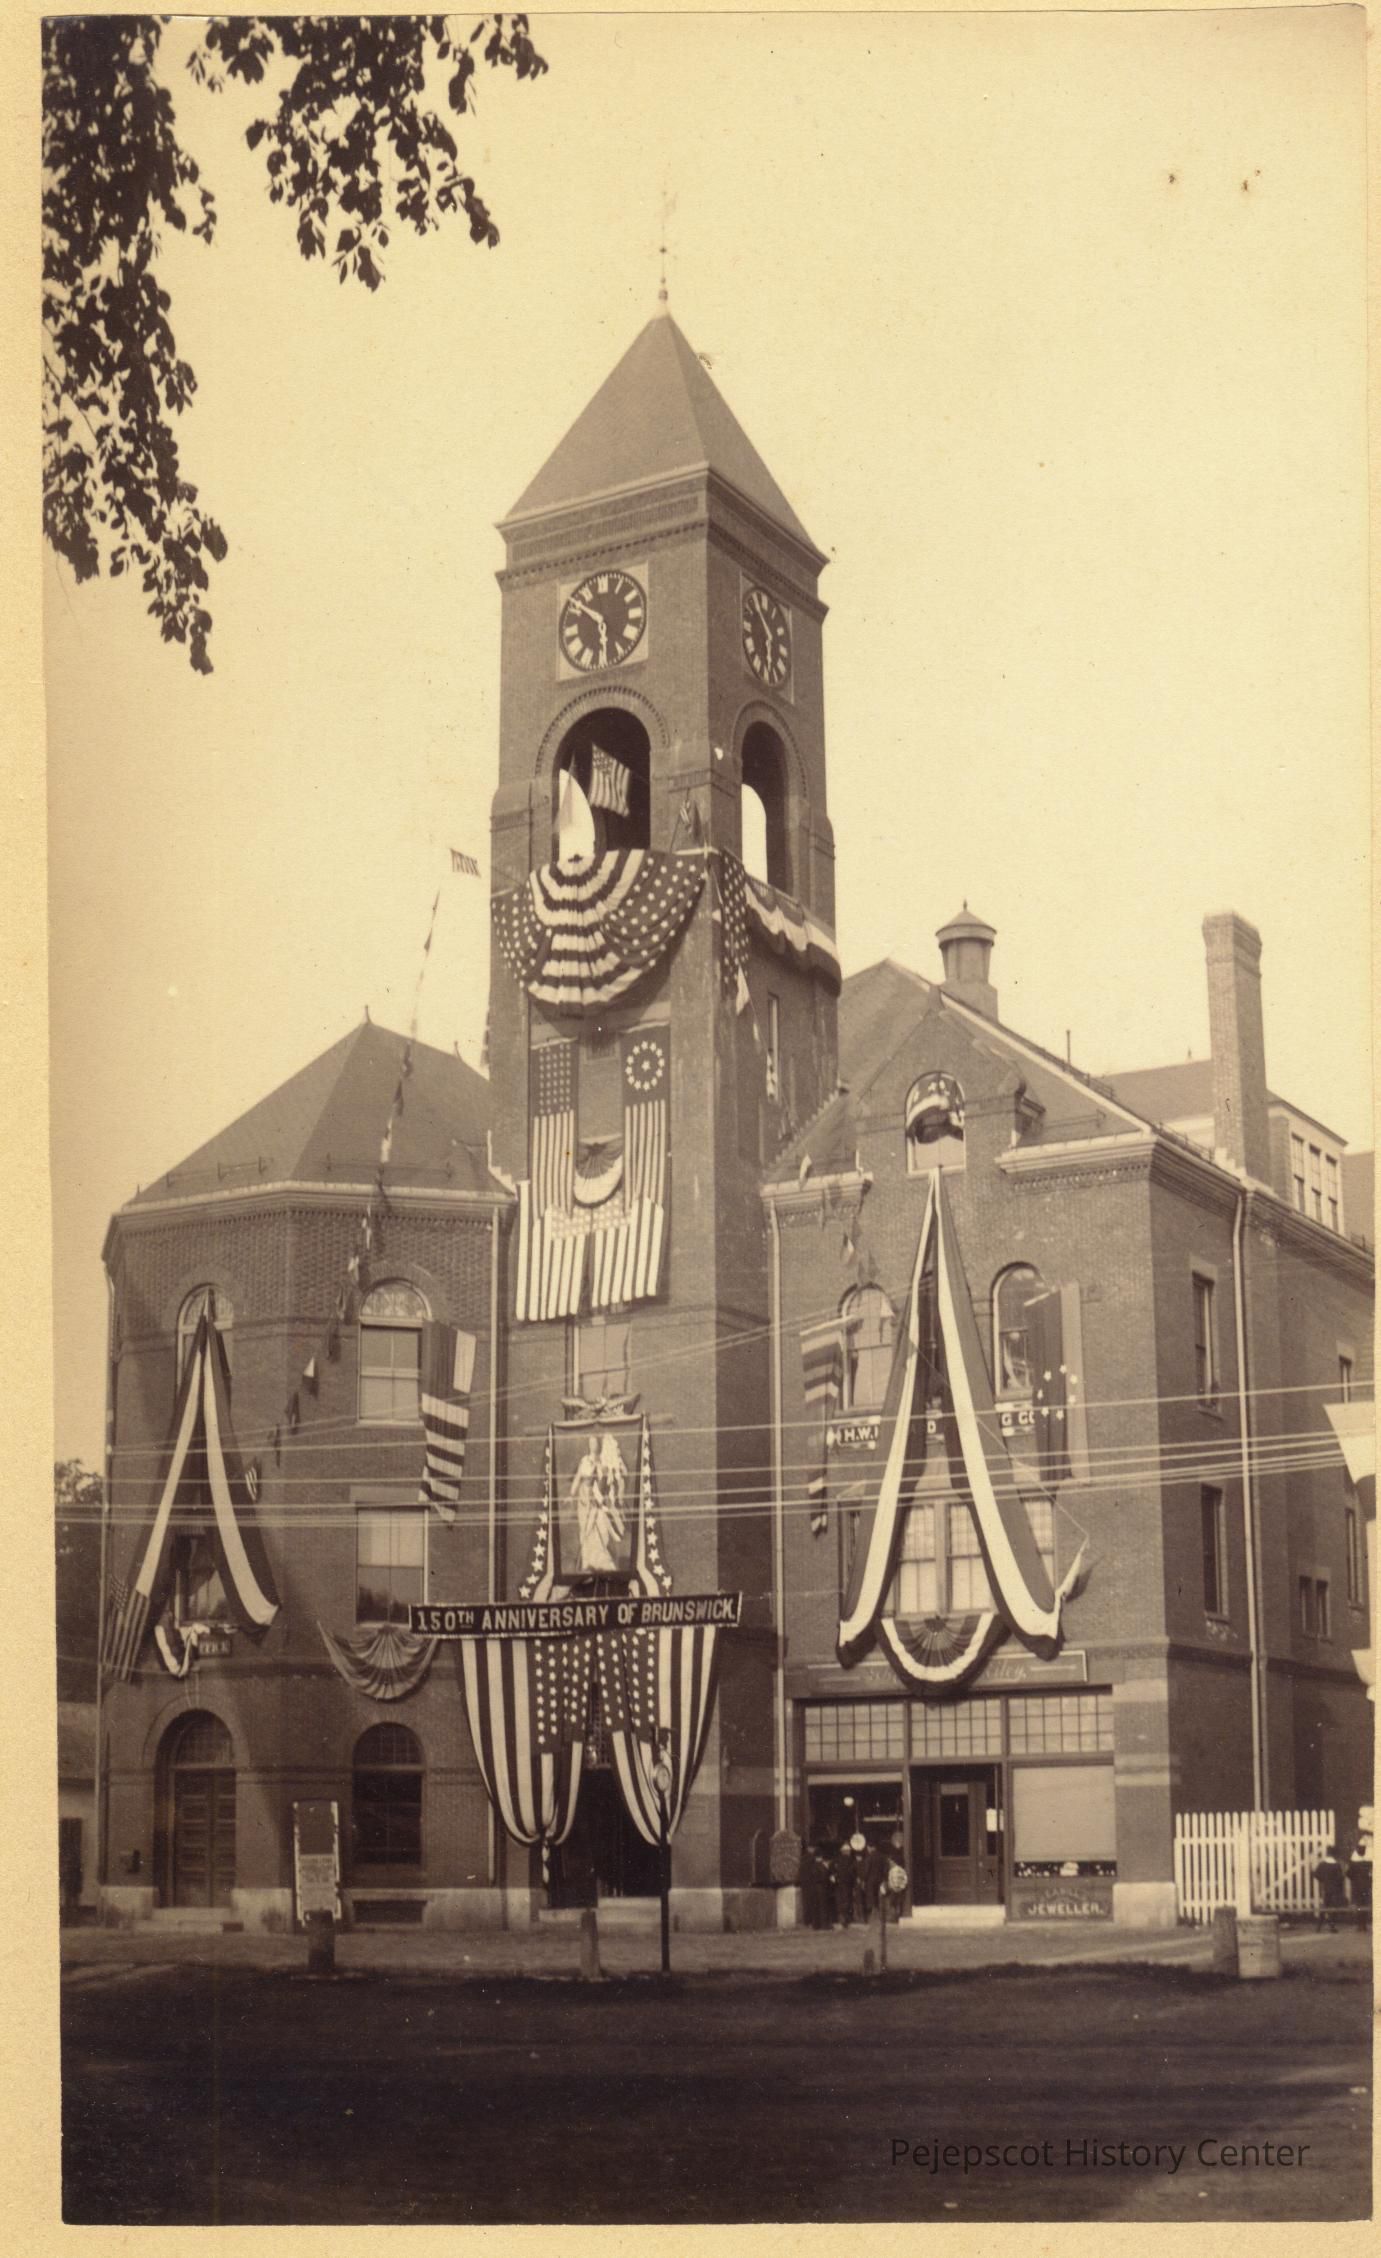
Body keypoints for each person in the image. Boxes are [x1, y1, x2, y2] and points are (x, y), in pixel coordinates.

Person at [1313, 1841, 1347, 1932]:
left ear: (1327, 1853)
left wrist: (1323, 1880)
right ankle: (1332, 1926)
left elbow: (1316, 1875)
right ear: (1334, 1854)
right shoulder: (1336, 1865)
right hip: (1335, 1889)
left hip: (1326, 1888)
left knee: (1325, 1906)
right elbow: (1340, 1878)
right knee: (1333, 1907)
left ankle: (1319, 1926)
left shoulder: (1322, 1864)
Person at [1347, 1830, 1372, 1928]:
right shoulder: (1368, 1861)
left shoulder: (1354, 1860)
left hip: (1357, 1885)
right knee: (1365, 1903)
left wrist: (1354, 1878)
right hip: (1366, 1885)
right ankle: (1363, 1924)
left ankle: (1360, 1924)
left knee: (1359, 1904)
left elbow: (1349, 1873)